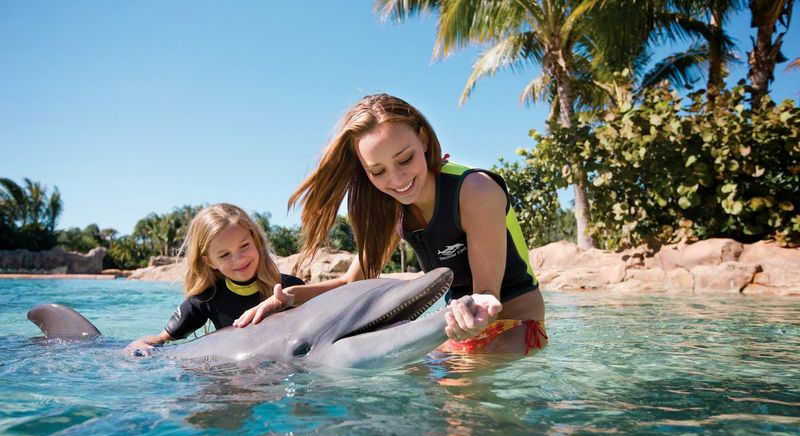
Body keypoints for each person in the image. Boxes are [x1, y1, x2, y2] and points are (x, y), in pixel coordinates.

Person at [237, 93, 546, 355]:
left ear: (423, 140)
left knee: (458, 408)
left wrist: (470, 325)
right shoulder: (392, 209)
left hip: (514, 324)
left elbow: (485, 296)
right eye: (378, 171)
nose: (397, 180)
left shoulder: (475, 190)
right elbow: (351, 283)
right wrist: (286, 300)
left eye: (405, 159)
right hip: (459, 322)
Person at [125, 203, 309, 356]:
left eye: (244, 245)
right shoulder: (206, 299)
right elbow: (161, 339)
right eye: (224, 255)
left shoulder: (290, 289)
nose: (239, 259)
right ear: (209, 261)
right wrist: (138, 343)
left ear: (256, 241)